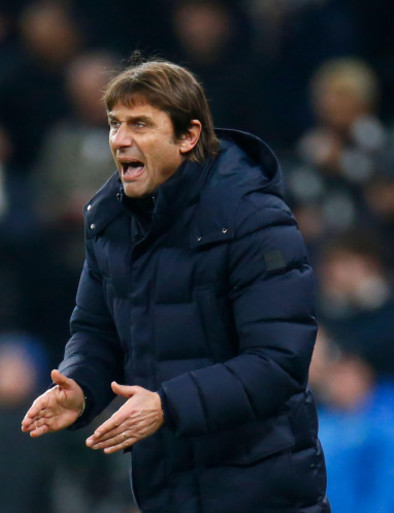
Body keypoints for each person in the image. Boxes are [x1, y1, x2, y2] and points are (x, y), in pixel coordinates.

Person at [22, 59, 329, 512]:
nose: (120, 140)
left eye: (140, 124)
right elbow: (96, 331)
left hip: (262, 486)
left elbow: (278, 362)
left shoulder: (253, 219)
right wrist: (82, 388)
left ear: (188, 136)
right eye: (114, 124)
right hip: (165, 485)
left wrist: (167, 405)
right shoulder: (108, 220)